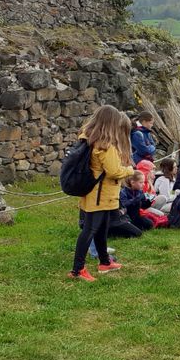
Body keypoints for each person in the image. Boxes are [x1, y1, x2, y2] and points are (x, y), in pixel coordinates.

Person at [69, 105, 135, 281]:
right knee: (89, 230)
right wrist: (129, 170)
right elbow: (114, 171)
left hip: (100, 195)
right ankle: (77, 269)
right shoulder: (106, 145)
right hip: (100, 195)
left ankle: (104, 261)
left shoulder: (90, 138)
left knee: (101, 229)